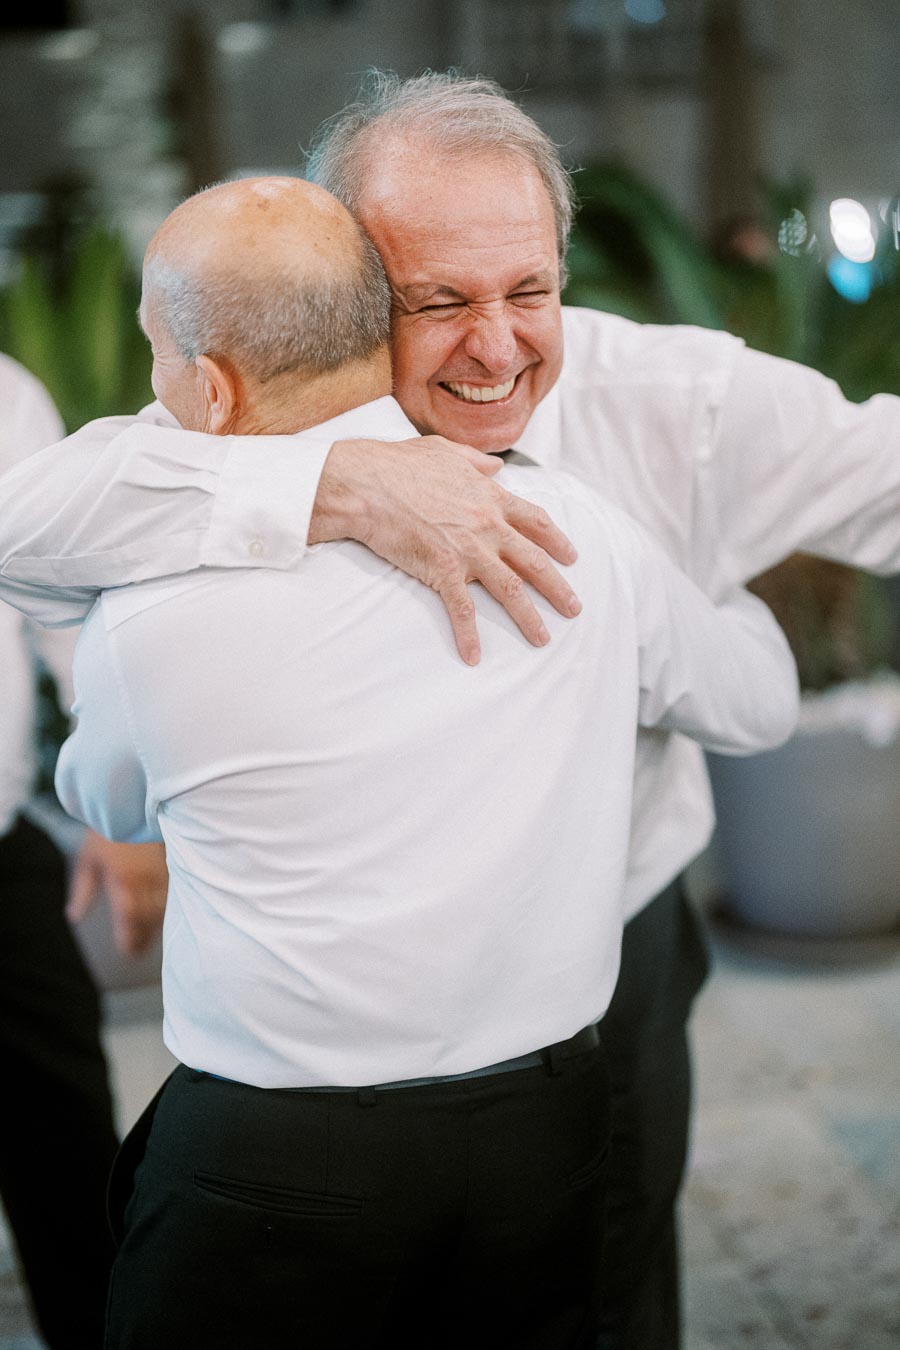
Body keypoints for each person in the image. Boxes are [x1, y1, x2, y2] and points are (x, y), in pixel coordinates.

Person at [0, 72, 898, 1348]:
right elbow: (23, 520)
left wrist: (697, 592)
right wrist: (336, 480)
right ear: (353, 286)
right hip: (320, 1094)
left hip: (602, 972)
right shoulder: (213, 434)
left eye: (531, 290)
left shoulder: (673, 405)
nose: (495, 345)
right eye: (438, 300)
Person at [0, 353, 167, 1350]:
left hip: (1, 851)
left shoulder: (6, 392)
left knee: (68, 1147)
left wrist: (118, 806)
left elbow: (60, 599)